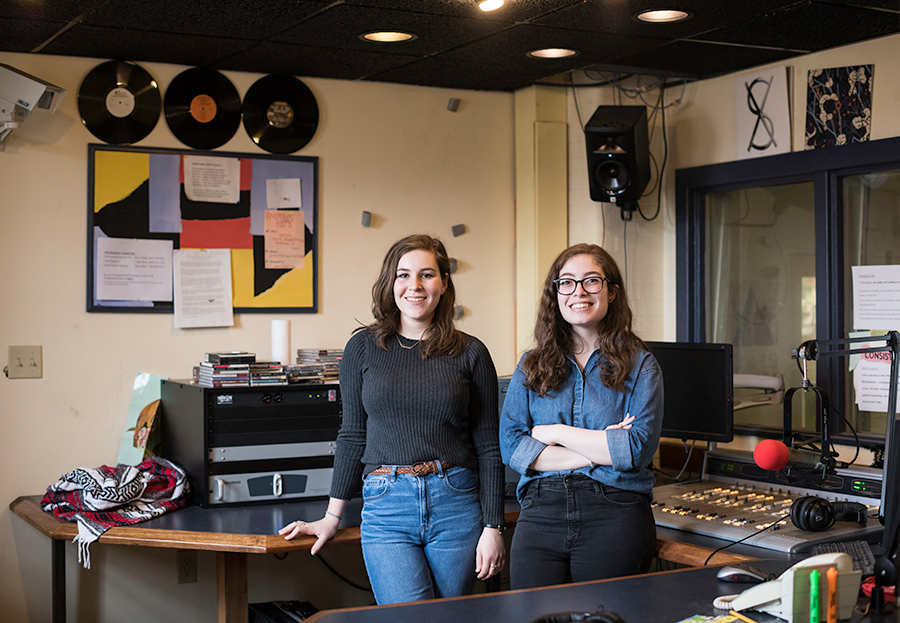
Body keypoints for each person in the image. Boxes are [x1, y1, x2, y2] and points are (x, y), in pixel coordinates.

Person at [280, 234, 506, 604]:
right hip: (387, 504)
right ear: (390, 283)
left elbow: (488, 446)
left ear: (444, 283)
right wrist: (331, 517)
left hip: (456, 501)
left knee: (450, 617)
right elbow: (352, 436)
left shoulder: (471, 352)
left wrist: (493, 527)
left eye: (427, 275)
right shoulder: (363, 348)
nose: (414, 286)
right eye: (403, 275)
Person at [499, 243, 663, 590]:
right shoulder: (531, 365)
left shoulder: (641, 365)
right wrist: (600, 448)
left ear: (612, 291)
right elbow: (513, 448)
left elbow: (634, 451)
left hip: (614, 512)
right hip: (540, 513)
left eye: (592, 281)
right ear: (555, 293)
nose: (579, 292)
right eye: (568, 282)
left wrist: (552, 431)